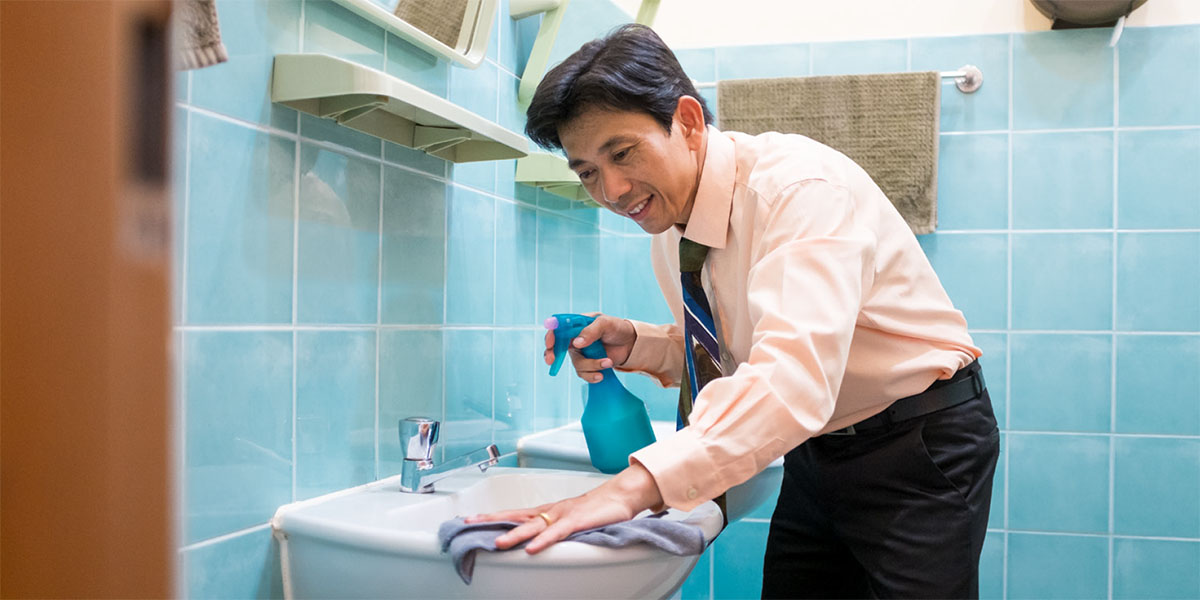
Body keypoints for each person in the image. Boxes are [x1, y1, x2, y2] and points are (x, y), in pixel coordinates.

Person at [466, 23, 999, 599]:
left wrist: (626, 490)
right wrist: (641, 343)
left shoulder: (797, 191)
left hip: (916, 438)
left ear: (688, 122)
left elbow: (791, 377)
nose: (613, 190)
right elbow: (741, 349)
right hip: (817, 445)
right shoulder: (670, 233)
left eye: (622, 153)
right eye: (588, 171)